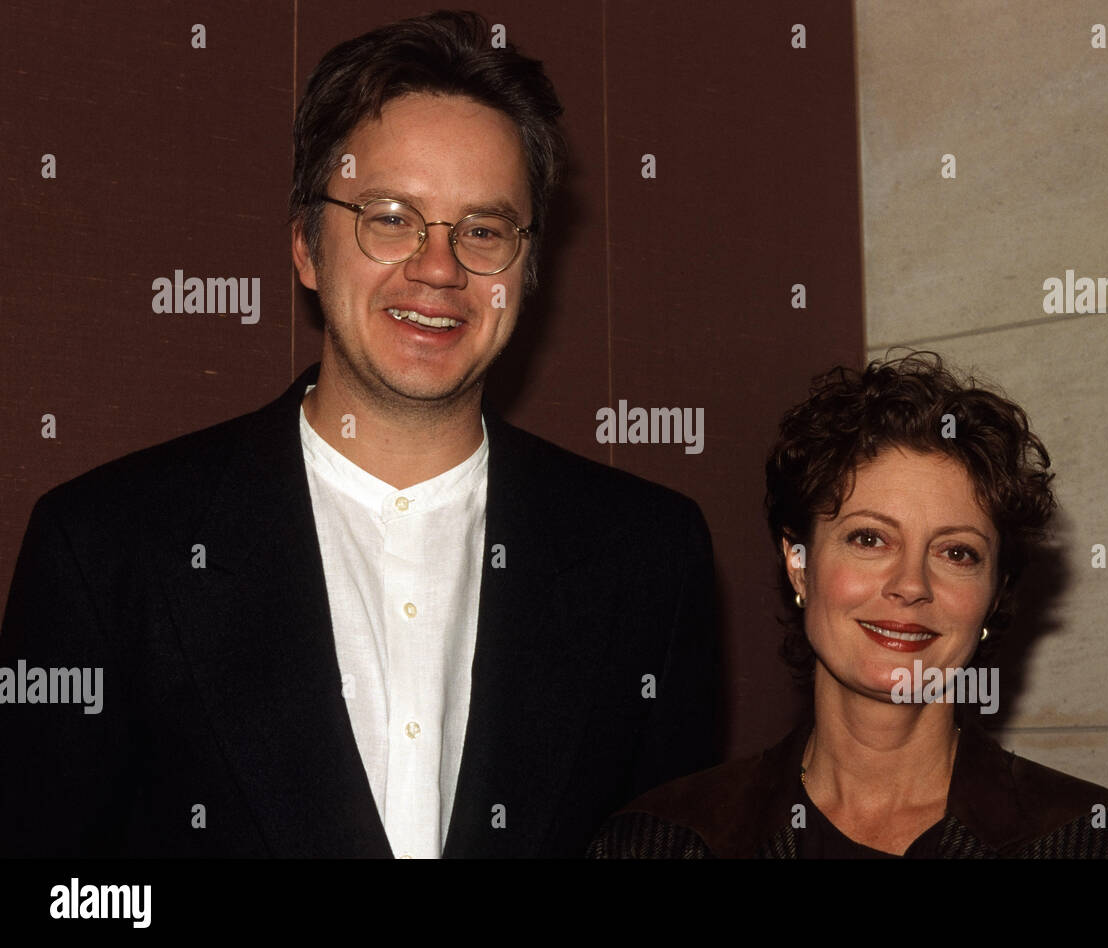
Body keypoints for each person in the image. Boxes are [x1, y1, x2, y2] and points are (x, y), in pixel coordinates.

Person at [0, 12, 718, 858]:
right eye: (390, 217)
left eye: (484, 230)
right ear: (306, 245)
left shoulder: (648, 558)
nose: (439, 267)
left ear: (527, 271)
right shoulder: (107, 547)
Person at [589, 352, 1108, 858]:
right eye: (869, 538)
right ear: (799, 563)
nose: (911, 584)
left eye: (956, 553)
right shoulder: (657, 843)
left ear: (995, 594)